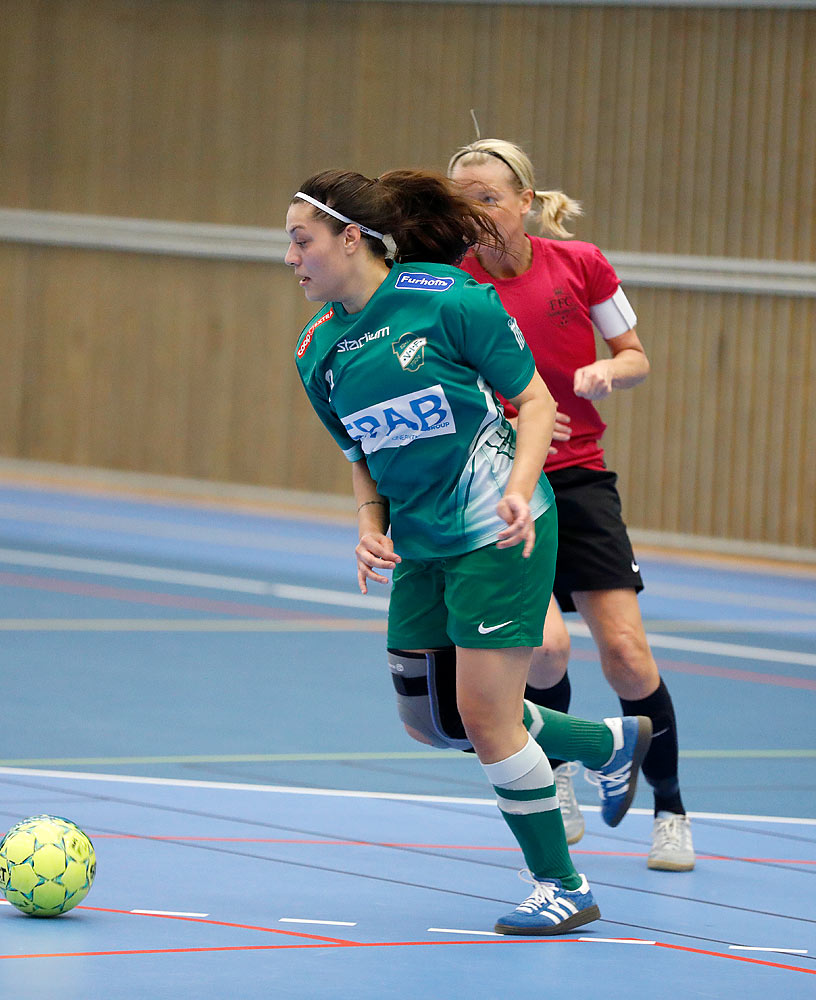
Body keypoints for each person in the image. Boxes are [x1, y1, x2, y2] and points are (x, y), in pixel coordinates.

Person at [286, 168, 652, 934]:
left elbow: (539, 402)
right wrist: (367, 522)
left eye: (301, 241)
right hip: (418, 542)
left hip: (497, 529)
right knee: (433, 721)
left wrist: (520, 488)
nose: (291, 258)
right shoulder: (318, 351)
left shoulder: (447, 299)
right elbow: (361, 449)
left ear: (350, 239)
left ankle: (563, 885)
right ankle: (606, 742)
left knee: (485, 715)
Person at [447, 139, 695, 872]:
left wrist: (606, 371)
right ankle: (558, 774)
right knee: (547, 647)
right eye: (461, 201)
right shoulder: (450, 288)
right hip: (502, 488)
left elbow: (638, 355)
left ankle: (671, 807)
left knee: (625, 654)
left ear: (526, 203)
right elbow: (450, 393)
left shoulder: (580, 263)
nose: (475, 214)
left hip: (580, 480)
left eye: (488, 197)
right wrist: (516, 415)